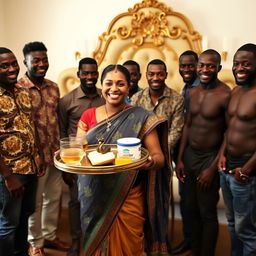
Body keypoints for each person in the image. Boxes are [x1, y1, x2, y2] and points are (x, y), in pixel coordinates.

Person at [76, 64, 171, 255]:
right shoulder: (88, 115)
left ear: (129, 87)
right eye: (109, 83)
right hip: (94, 191)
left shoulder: (142, 117)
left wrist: (150, 162)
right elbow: (79, 151)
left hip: (128, 193)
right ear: (101, 85)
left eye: (120, 84)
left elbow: (159, 157)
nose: (114, 89)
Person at [176, 49, 231, 256]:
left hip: (209, 157)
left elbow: (228, 132)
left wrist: (212, 167)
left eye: (210, 66)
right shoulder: (192, 92)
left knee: (207, 212)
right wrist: (180, 158)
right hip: (190, 156)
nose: (205, 69)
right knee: (190, 208)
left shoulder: (226, 94)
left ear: (218, 68)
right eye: (202, 65)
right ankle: (196, 251)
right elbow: (188, 126)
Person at [18, 41, 69, 256]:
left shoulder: (53, 86)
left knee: (53, 198)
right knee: (35, 202)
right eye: (36, 60)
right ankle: (35, 243)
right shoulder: (19, 88)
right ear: (25, 62)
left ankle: (49, 236)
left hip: (55, 153)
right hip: (35, 158)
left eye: (44, 59)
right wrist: (34, 155)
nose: (41, 64)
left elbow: (58, 119)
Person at [58, 57, 105, 256]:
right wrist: (65, 166)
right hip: (76, 160)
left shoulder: (105, 97)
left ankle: (99, 238)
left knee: (100, 198)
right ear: (78, 74)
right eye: (85, 73)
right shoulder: (66, 101)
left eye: (93, 73)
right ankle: (77, 240)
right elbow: (61, 132)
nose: (89, 77)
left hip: (102, 157)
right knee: (77, 201)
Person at [0, 47, 41, 256]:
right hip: (10, 172)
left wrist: (38, 157)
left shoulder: (22, 91)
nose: (12, 69)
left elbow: (29, 126)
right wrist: (8, 176)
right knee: (8, 223)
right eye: (4, 65)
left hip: (30, 167)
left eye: (14, 63)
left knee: (26, 216)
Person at [218, 43, 256, 256]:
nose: (239, 68)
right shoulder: (235, 91)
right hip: (228, 169)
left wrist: (246, 170)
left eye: (246, 64)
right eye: (236, 64)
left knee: (247, 230)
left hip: (246, 173)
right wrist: (222, 153)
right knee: (232, 224)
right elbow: (229, 128)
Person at [171, 50, 200, 255]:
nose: (186, 69)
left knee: (195, 203)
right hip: (184, 155)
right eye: (183, 66)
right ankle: (189, 239)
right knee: (187, 200)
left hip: (198, 154)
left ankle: (196, 243)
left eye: (191, 65)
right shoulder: (186, 88)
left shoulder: (200, 88)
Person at [130, 59, 184, 153]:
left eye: (160, 74)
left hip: (166, 152)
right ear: (146, 75)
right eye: (151, 74)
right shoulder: (136, 98)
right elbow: (132, 127)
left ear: (166, 75)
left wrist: (159, 153)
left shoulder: (177, 99)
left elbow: (176, 131)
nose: (155, 78)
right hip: (140, 151)